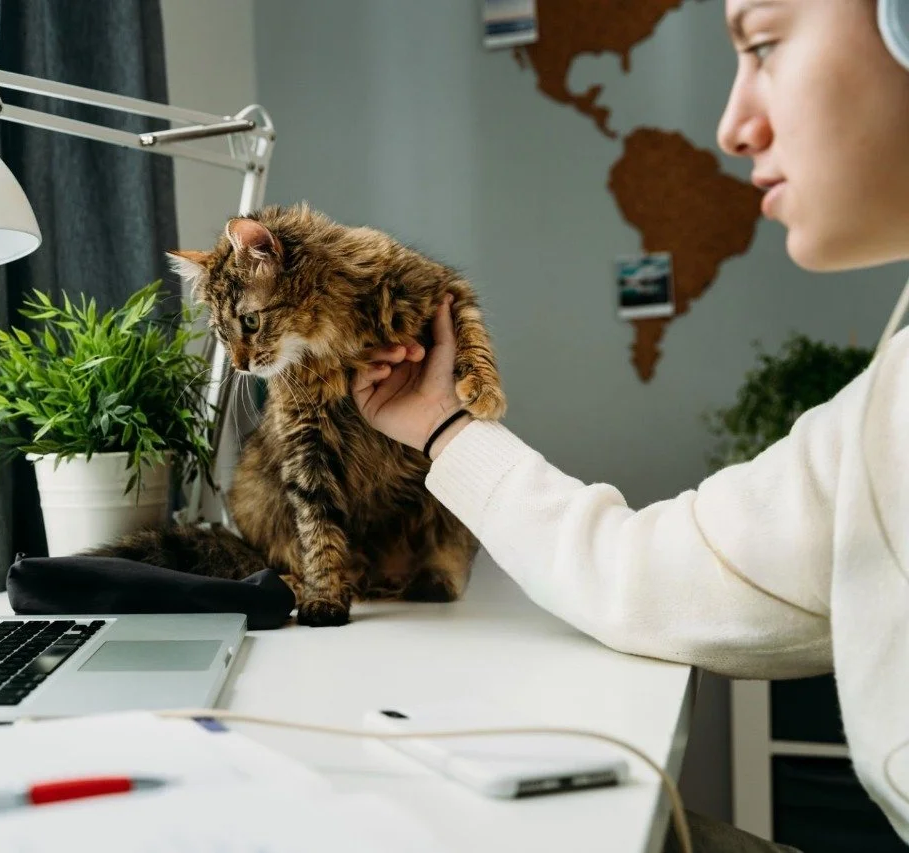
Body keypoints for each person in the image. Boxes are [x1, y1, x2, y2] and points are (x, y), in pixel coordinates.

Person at [351, 1, 909, 851]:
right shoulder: (888, 406)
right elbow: (652, 572)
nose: (732, 127)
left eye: (763, 45)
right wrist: (443, 429)